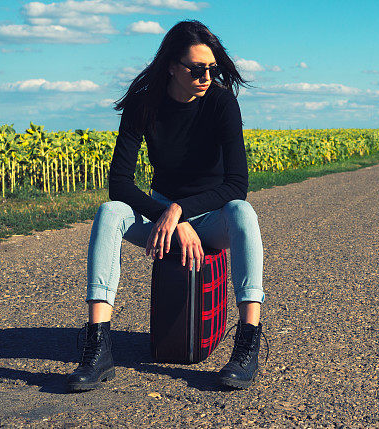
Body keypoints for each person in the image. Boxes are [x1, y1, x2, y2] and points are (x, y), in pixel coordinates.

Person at [66, 20, 265, 392]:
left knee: (244, 212)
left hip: (211, 219)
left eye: (212, 68)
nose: (206, 76)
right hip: (160, 218)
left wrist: (180, 211)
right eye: (196, 69)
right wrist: (166, 213)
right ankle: (98, 346)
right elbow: (120, 183)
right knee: (109, 211)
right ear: (172, 66)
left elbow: (237, 185)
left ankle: (248, 342)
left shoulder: (222, 104)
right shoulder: (144, 105)